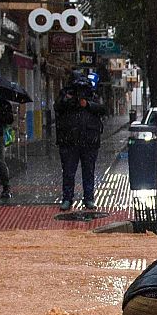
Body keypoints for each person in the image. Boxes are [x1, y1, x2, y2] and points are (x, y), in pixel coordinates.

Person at [55, 71, 106, 210]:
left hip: (89, 141)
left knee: (88, 172)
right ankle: (67, 198)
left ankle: (89, 198)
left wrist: (87, 104)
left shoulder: (92, 95)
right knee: (68, 172)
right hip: (69, 141)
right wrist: (69, 100)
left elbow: (103, 109)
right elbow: (57, 107)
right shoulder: (66, 94)